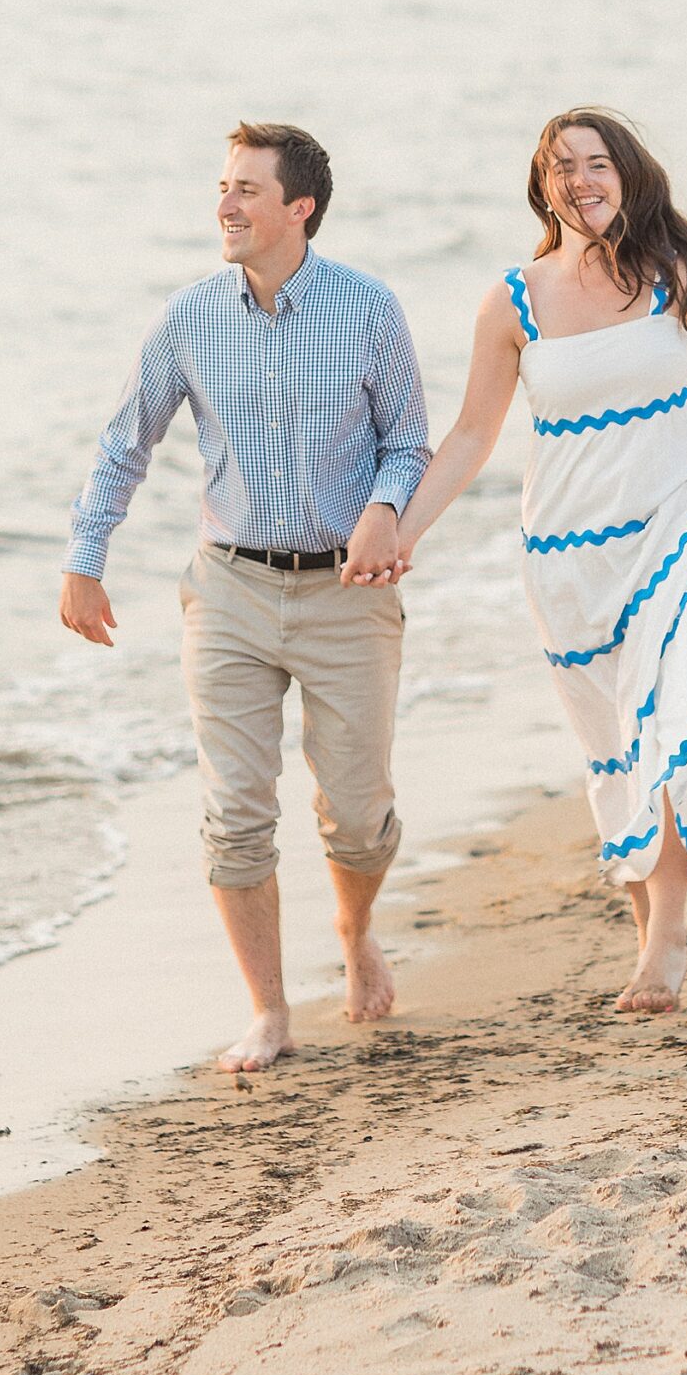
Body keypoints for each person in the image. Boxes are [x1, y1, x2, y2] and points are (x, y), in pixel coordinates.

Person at [375, 108, 687, 1016]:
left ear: (627, 175)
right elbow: (473, 435)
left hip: (678, 521)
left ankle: (666, 939)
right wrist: (404, 531)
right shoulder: (511, 302)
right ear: (542, 185)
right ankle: (647, 930)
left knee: (675, 713)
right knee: (615, 746)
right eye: (564, 169)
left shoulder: (671, 271)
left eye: (598, 164)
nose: (583, 180)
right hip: (567, 551)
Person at [60, 122, 429, 1073]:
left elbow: (408, 442)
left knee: (356, 810)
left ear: (298, 207)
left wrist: (386, 511)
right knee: (235, 811)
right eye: (222, 188)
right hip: (226, 587)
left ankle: (353, 933)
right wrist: (84, 558)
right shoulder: (188, 318)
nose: (225, 205)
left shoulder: (369, 310)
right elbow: (125, 441)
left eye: (246, 191)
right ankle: (268, 1010)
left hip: (348, 593)